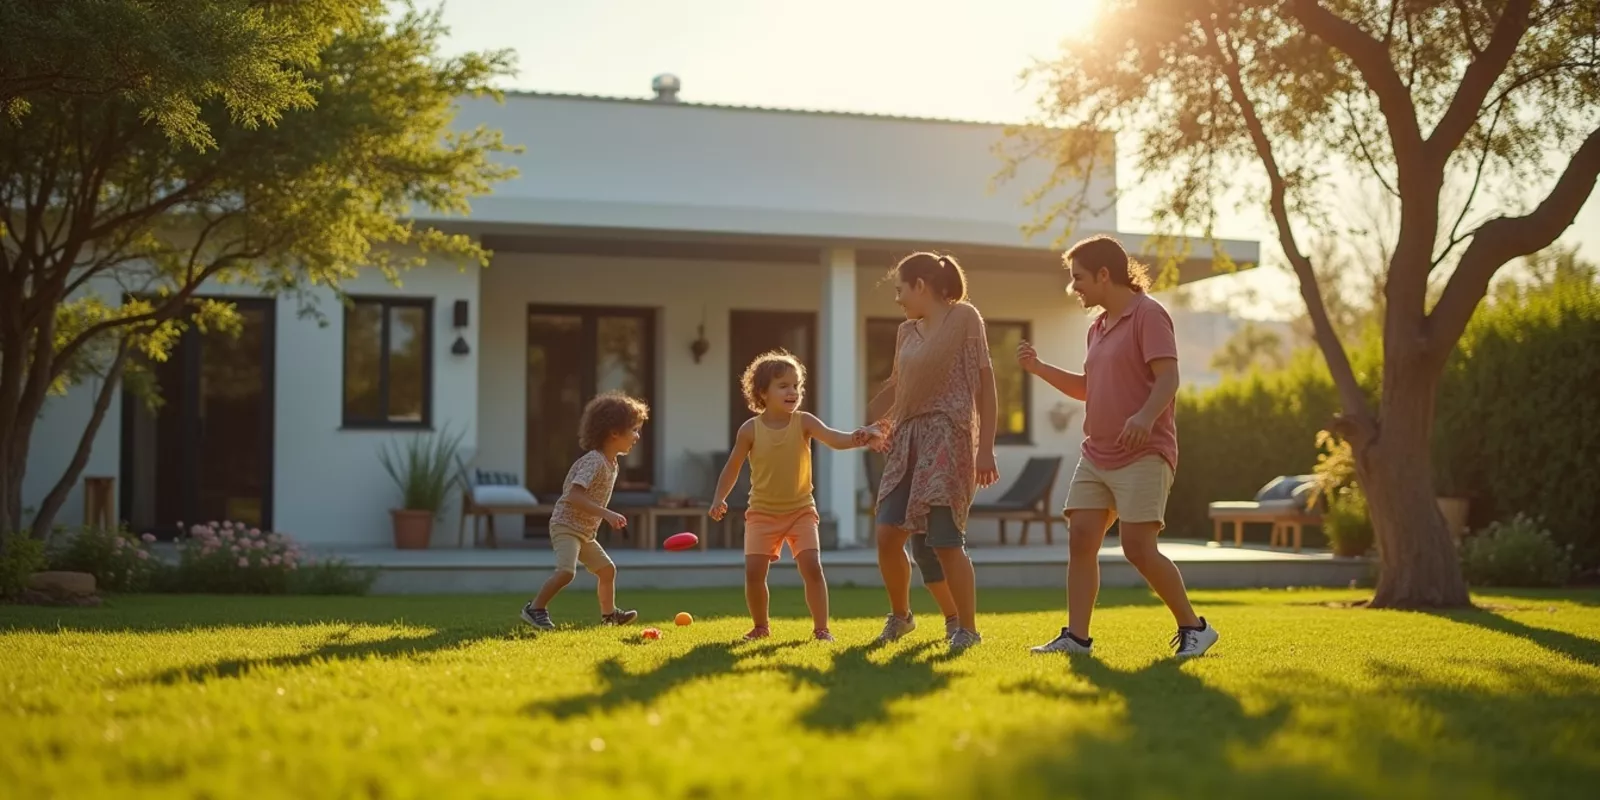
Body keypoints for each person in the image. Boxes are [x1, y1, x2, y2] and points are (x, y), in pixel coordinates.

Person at [1019, 235, 1219, 658]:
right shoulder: (1098, 327)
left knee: (1138, 548)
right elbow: (1089, 388)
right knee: (1082, 539)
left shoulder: (1149, 315)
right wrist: (1038, 368)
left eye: (1079, 279)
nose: (1074, 289)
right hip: (1098, 452)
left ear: (1105, 275)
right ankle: (1077, 637)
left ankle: (1194, 627)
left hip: (1144, 452)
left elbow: (1168, 378)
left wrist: (1145, 417)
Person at [864, 252, 1000, 652]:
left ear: (920, 285)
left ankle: (966, 629)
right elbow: (898, 387)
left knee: (942, 540)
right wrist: (871, 421)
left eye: (900, 289)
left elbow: (985, 384)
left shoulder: (965, 318)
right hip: (907, 438)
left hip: (948, 435)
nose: (898, 299)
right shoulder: (906, 331)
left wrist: (986, 447)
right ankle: (902, 617)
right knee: (889, 532)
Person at [710, 350, 877, 642]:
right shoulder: (750, 430)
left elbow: (835, 439)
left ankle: (821, 629)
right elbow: (732, 468)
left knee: (812, 566)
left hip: (800, 510)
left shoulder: (804, 422)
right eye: (783, 385)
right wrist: (718, 498)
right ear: (763, 392)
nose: (793, 391)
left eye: (797, 385)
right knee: (754, 573)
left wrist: (858, 437)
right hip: (761, 512)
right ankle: (761, 626)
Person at [520, 391, 650, 630]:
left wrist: (603, 515)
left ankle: (609, 615)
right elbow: (574, 496)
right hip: (566, 526)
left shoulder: (612, 464)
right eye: (634, 430)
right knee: (566, 573)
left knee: (607, 570)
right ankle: (535, 608)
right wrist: (607, 513)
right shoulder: (594, 461)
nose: (638, 436)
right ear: (613, 432)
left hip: (584, 532)